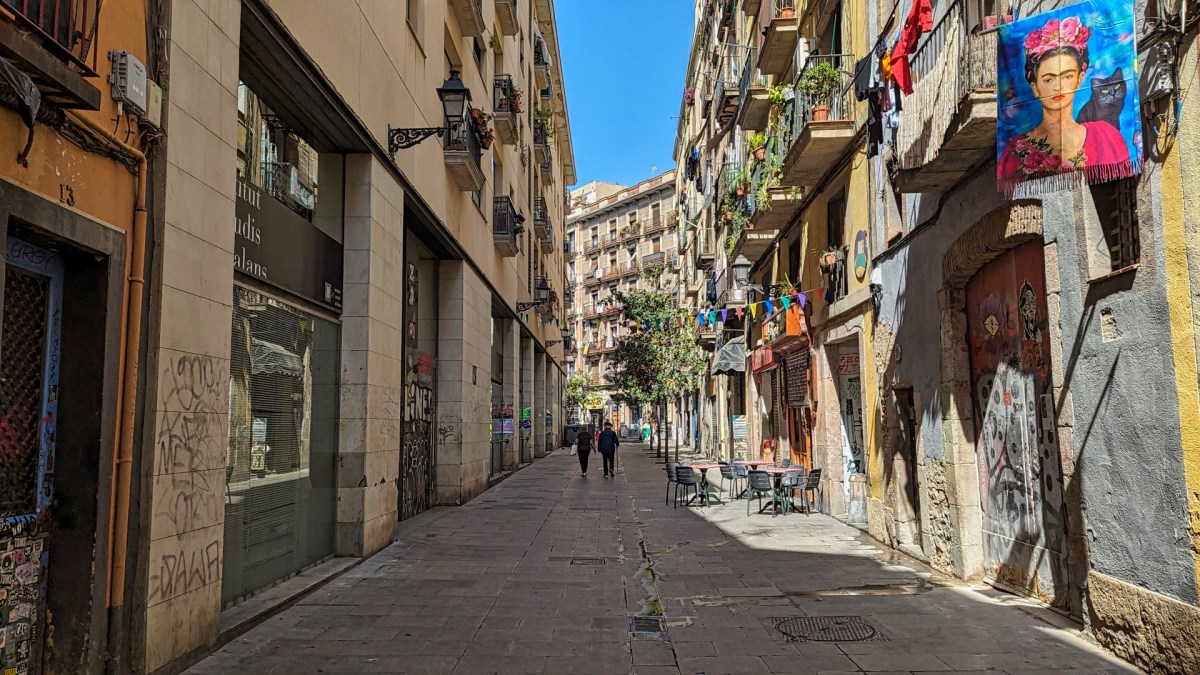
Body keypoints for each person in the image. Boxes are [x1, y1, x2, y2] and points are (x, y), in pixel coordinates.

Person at [997, 17, 1129, 188]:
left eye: (1067, 76)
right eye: (1048, 79)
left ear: (1079, 79)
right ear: (1035, 87)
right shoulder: (1014, 153)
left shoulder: (1106, 136)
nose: (1058, 87)